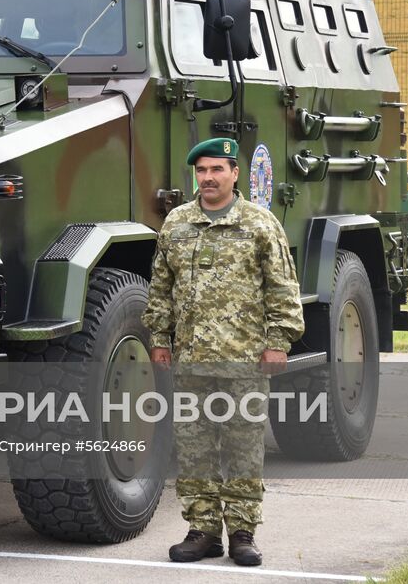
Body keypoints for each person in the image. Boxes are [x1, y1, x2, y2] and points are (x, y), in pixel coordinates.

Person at [143, 137, 304, 567]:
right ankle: (203, 532)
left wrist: (278, 342)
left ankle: (243, 533)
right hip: (191, 360)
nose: (208, 178)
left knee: (243, 446)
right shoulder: (177, 223)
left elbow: (284, 289)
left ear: (235, 173)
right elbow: (161, 288)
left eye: (217, 169)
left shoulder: (259, 223)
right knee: (194, 447)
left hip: (244, 359)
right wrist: (159, 339)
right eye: (201, 171)